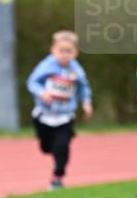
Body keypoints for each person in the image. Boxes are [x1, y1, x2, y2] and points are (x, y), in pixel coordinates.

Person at [26, 30, 93, 189]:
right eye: (61, 51)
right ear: (53, 50)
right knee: (46, 148)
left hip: (65, 116)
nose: (64, 55)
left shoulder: (76, 70)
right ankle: (49, 147)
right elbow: (32, 82)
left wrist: (86, 102)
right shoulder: (46, 66)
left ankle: (57, 176)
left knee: (61, 147)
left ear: (75, 53)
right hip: (44, 115)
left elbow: (84, 87)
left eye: (68, 51)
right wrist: (42, 92)